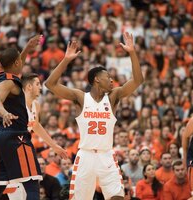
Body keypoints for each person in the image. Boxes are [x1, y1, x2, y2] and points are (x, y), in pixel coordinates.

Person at [45, 32, 144, 200]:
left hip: (106, 155)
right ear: (97, 79)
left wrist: (132, 52)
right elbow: (50, 84)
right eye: (108, 77)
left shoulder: (113, 97)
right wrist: (66, 60)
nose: (112, 81)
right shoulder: (81, 97)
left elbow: (137, 81)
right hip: (85, 156)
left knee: (118, 197)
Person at [0, 35, 67, 200]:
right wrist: (4, 113)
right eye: (37, 84)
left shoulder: (3, 75)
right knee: (32, 186)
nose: (22, 62)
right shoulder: (8, 84)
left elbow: (15, 65)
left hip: (2, 137)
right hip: (16, 137)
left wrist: (27, 49)